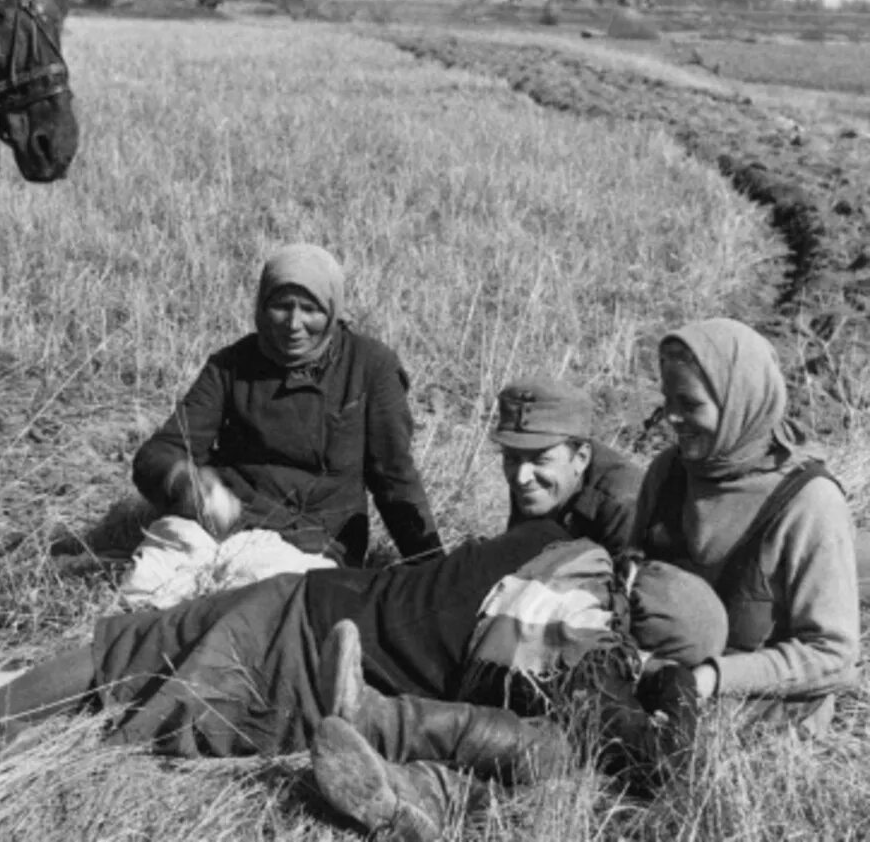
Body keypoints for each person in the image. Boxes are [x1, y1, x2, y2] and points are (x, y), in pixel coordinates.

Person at [0, 518, 583, 757]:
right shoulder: (561, 562)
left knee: (123, 657)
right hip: (319, 637)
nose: (521, 474)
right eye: (514, 457)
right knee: (133, 662)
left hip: (305, 621)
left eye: (539, 459)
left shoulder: (552, 547)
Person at [309, 554, 726, 841]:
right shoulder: (612, 668)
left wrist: (675, 682)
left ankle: (399, 771)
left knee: (560, 754)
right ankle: (395, 767)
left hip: (571, 790)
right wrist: (678, 684)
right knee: (554, 743)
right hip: (557, 762)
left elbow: (666, 761)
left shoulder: (624, 698)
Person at [131, 243, 441, 565]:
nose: (293, 324)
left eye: (311, 309)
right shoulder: (231, 365)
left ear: (333, 310)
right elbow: (158, 453)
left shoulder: (370, 366)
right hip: (229, 525)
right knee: (155, 570)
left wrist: (434, 570)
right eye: (281, 306)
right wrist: (188, 485)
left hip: (317, 543)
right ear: (262, 305)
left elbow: (395, 479)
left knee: (256, 593)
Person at [628, 317, 860, 733]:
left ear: (741, 403)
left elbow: (833, 654)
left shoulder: (809, 503)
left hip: (762, 708)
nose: (672, 418)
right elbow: (628, 579)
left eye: (691, 404)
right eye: (668, 401)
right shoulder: (667, 473)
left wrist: (713, 680)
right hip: (656, 681)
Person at [491, 377, 642, 554]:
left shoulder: (623, 503)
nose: (522, 478)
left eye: (540, 460)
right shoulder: (531, 478)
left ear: (581, 457)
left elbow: (638, 577)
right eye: (511, 458)